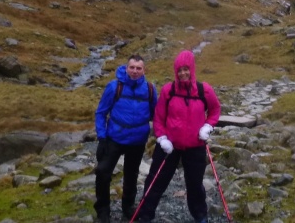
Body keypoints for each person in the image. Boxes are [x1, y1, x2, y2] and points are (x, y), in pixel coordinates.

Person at [134, 50, 222, 223]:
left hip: (195, 146)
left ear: (192, 69)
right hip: (169, 146)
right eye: (179, 70)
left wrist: (208, 126)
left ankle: (200, 216)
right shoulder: (169, 90)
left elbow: (215, 110)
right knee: (156, 180)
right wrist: (162, 138)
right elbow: (158, 118)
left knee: (195, 184)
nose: (182, 73)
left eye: (185, 69)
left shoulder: (204, 90)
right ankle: (145, 215)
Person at [95, 54, 157, 223]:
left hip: (137, 141)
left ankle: (128, 208)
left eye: (139, 68)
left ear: (144, 70)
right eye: (132, 67)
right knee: (102, 173)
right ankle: (103, 210)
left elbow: (156, 114)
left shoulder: (150, 89)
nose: (135, 71)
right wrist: (102, 137)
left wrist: (161, 134)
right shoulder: (114, 87)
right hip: (114, 138)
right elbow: (101, 113)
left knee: (131, 175)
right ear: (126, 67)